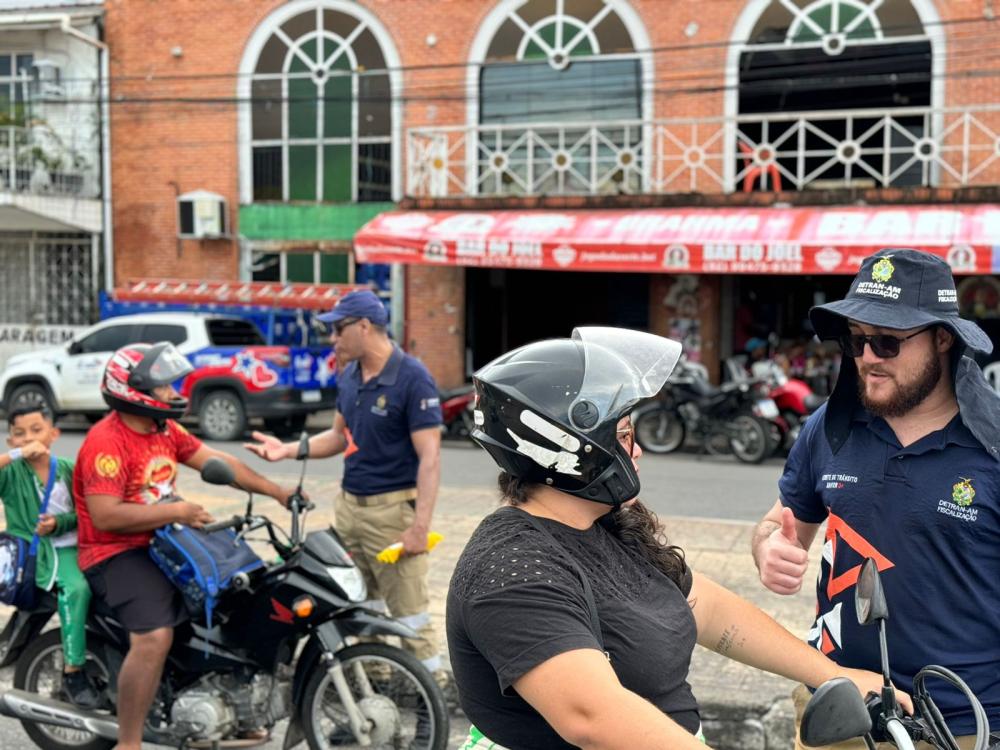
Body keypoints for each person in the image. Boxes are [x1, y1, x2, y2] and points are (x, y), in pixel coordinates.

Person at [447, 327, 905, 750]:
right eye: (624, 435)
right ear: (570, 448)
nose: (638, 450)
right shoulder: (513, 569)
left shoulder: (606, 524)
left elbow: (707, 608)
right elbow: (593, 716)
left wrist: (835, 674)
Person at [752, 248, 1000, 749]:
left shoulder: (992, 445)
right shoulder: (831, 427)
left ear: (942, 340)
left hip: (961, 725)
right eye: (857, 341)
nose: (867, 357)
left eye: (887, 342)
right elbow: (780, 524)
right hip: (840, 708)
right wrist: (768, 550)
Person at [74, 342, 297, 750]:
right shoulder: (107, 443)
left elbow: (220, 463)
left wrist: (277, 491)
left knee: (238, 595)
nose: (174, 393)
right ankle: (129, 741)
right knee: (155, 636)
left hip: (164, 541)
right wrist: (175, 512)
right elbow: (105, 515)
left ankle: (230, 703)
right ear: (133, 391)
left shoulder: (164, 430)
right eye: (164, 387)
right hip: (114, 553)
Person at [246, 289, 444, 672]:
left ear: (365, 326)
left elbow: (431, 458)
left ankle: (427, 705)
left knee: (410, 617)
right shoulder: (350, 375)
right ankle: (373, 698)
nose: (332, 339)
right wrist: (287, 450)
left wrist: (420, 526)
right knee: (357, 607)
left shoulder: (412, 378)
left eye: (338, 329)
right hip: (350, 511)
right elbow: (339, 436)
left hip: (393, 516)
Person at [0, 405, 99, 709]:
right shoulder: (12, 472)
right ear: (10, 440)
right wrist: (17, 455)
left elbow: (90, 512)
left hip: (74, 544)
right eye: (19, 433)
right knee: (77, 589)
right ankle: (73, 670)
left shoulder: (69, 468)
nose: (28, 438)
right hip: (39, 554)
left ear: (53, 434)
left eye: (36, 430)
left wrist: (60, 523)